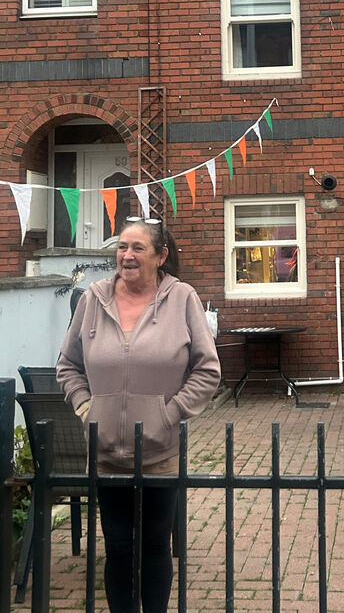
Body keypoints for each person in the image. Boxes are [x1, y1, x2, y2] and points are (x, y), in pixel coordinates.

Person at [57, 217, 221, 613]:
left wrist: (170, 413)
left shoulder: (182, 298)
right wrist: (86, 407)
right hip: (106, 453)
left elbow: (207, 369)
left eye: (137, 248)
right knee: (117, 547)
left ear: (160, 256)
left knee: (154, 546)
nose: (127, 256)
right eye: (122, 247)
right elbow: (68, 365)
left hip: (160, 453)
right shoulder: (93, 299)